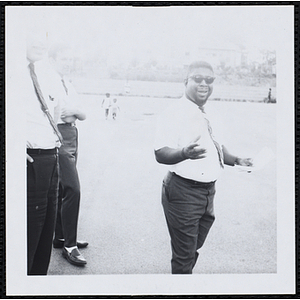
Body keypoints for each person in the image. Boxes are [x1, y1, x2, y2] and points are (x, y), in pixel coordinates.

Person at [154, 61, 253, 274]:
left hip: (208, 193)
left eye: (209, 80)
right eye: (197, 79)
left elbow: (218, 147)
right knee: (184, 256)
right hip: (183, 192)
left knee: (192, 248)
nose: (204, 84)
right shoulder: (173, 112)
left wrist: (237, 159)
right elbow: (160, 153)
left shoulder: (211, 112)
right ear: (186, 81)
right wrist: (184, 153)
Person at [26, 31, 63, 275]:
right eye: (31, 32)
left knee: (43, 240)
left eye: (43, 34)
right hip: (30, 161)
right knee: (25, 243)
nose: (39, 40)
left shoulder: (46, 71)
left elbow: (57, 106)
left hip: (51, 158)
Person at [48, 44, 88, 266]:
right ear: (53, 59)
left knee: (65, 188)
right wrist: (74, 113)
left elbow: (83, 113)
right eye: (64, 58)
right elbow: (60, 114)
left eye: (71, 59)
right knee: (73, 189)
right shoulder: (50, 81)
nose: (68, 63)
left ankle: (61, 237)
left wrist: (75, 112)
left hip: (73, 135)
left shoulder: (68, 84)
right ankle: (69, 246)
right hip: (60, 136)